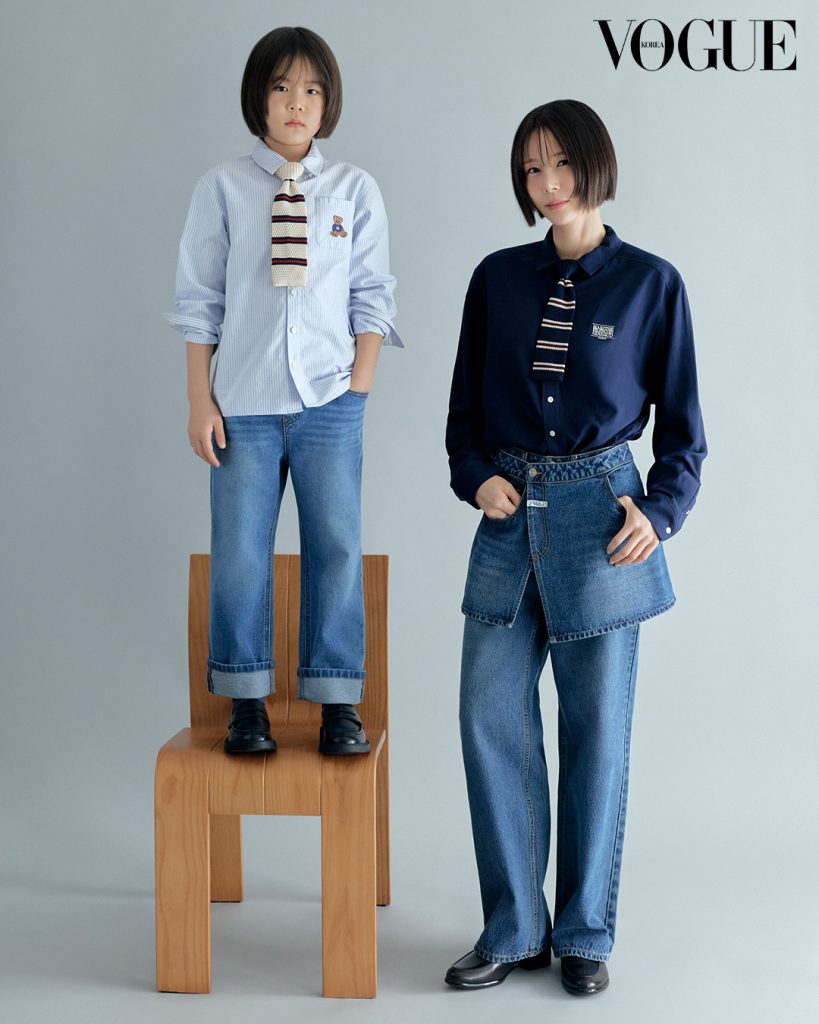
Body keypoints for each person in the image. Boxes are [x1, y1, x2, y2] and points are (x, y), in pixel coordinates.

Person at [444, 99, 707, 996]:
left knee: (595, 730)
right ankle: (514, 929)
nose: (547, 184)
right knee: (488, 716)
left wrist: (659, 513)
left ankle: (585, 933)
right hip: (508, 515)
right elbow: (463, 416)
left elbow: (684, 431)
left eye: (560, 164)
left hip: (601, 519)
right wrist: (475, 477)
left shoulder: (650, 285)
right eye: (531, 169)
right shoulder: (496, 279)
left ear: (594, 165)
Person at [163, 26, 402, 755]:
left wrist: (359, 386)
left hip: (331, 401)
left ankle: (337, 702)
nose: (297, 103)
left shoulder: (354, 189)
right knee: (239, 551)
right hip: (243, 404)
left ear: (327, 104)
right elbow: (200, 300)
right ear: (258, 98)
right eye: (281, 87)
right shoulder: (223, 189)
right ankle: (246, 701)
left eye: (312, 90)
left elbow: (372, 293)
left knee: (337, 546)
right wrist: (199, 400)